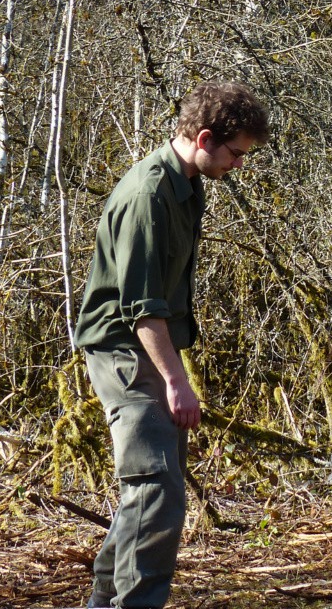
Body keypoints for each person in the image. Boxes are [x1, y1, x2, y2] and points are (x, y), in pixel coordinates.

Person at [74, 81, 270, 609]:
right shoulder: (148, 194)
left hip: (151, 353)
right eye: (234, 153)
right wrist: (176, 381)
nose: (237, 165)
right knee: (158, 492)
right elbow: (142, 308)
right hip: (125, 355)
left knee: (150, 491)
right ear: (204, 138)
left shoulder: (186, 185)